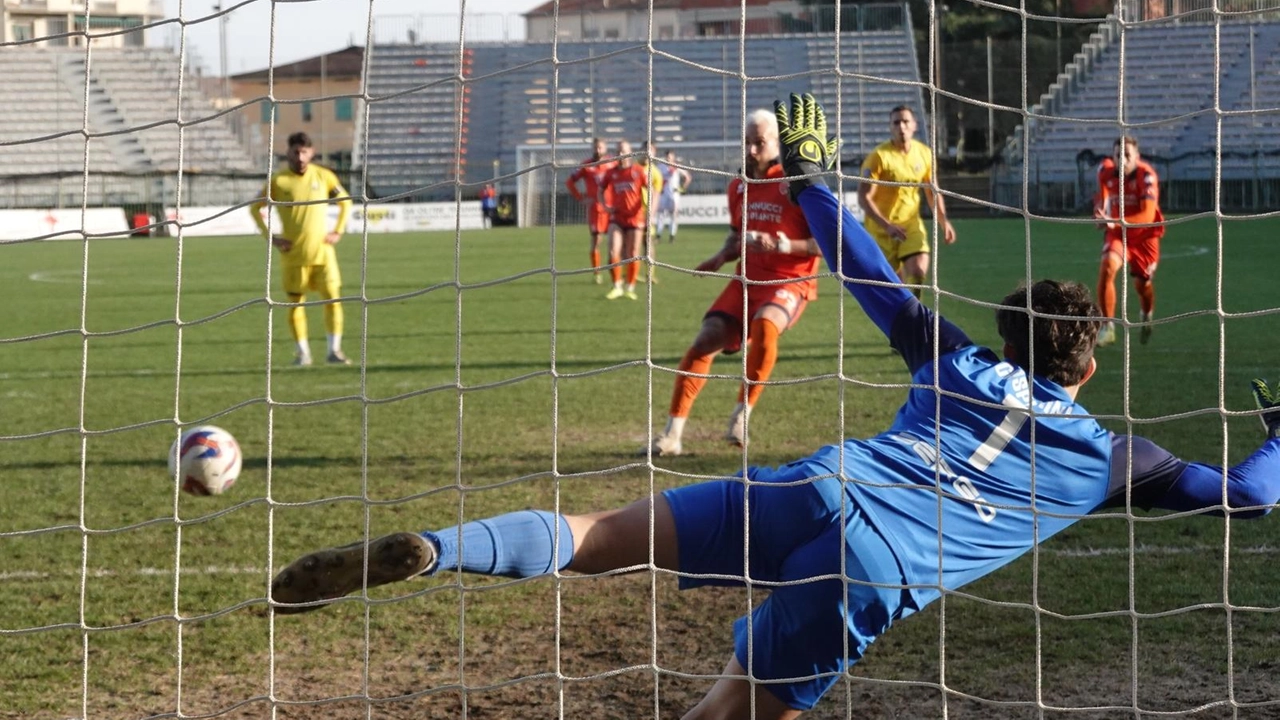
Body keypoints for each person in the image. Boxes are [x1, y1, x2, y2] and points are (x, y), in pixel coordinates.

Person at [268, 94, 1280, 720]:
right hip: (874, 572)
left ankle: (442, 550)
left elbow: (865, 269)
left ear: (1007, 340)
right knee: (744, 714)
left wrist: (807, 179)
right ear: (1086, 369)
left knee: (597, 532)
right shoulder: (1115, 460)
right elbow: (1242, 498)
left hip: (816, 489)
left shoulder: (952, 363)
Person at [647, 109, 822, 455]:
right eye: (747, 143)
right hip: (746, 280)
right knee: (707, 337)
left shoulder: (798, 183)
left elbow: (824, 244)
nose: (752, 150)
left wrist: (782, 245)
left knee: (766, 325)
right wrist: (719, 258)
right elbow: (735, 237)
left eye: (760, 143)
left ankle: (742, 415)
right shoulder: (738, 187)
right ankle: (672, 435)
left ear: (777, 143)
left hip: (790, 280)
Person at [250, 131, 354, 366]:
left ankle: (334, 351)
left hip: (324, 254)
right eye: (295, 151)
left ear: (312, 153)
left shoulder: (324, 176)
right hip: (293, 256)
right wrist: (271, 238)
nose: (299, 156)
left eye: (304, 151)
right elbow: (255, 208)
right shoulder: (278, 181)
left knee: (333, 301)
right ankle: (303, 353)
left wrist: (338, 230)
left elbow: (345, 201)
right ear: (288, 152)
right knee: (296, 304)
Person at [858, 105, 956, 297]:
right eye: (896, 122)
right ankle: (905, 310)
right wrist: (887, 226)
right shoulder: (879, 157)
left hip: (910, 224)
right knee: (894, 287)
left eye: (905, 122)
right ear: (890, 127)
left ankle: (915, 310)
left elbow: (932, 191)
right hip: (881, 230)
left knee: (918, 269)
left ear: (914, 126)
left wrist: (944, 221)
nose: (901, 126)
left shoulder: (924, 153)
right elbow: (864, 197)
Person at [1094, 136, 1165, 346]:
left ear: (1137, 157)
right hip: (1119, 236)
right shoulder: (1104, 172)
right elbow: (1103, 197)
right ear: (1112, 157)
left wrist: (1113, 221)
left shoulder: (1146, 176)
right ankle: (1108, 327)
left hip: (1145, 236)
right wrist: (1100, 216)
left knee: (1142, 285)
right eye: (1118, 155)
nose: (1122, 160)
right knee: (1107, 267)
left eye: (1127, 155)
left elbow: (1147, 215)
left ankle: (1146, 314)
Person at [599, 140, 649, 301]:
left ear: (630, 152)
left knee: (633, 253)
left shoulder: (638, 171)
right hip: (617, 218)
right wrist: (606, 207)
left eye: (624, 151)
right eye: (618, 151)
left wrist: (650, 207)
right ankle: (616, 286)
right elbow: (601, 190)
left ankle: (630, 287)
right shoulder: (610, 173)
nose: (621, 154)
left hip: (636, 218)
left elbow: (651, 189)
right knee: (613, 251)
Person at [565, 137, 616, 284]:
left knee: (616, 242)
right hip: (595, 210)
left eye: (600, 147)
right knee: (597, 240)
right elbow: (569, 182)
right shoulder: (586, 165)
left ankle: (618, 271)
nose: (597, 150)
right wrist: (581, 198)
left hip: (612, 209)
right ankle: (597, 272)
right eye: (595, 147)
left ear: (605, 149)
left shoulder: (612, 163)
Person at [656, 149, 693, 243]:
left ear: (673, 157)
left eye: (670, 156)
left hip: (674, 194)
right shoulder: (660, 166)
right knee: (661, 215)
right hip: (663, 193)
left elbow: (688, 177)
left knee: (673, 216)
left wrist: (682, 188)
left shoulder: (676, 167)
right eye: (667, 156)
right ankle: (658, 235)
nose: (668, 158)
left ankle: (672, 236)